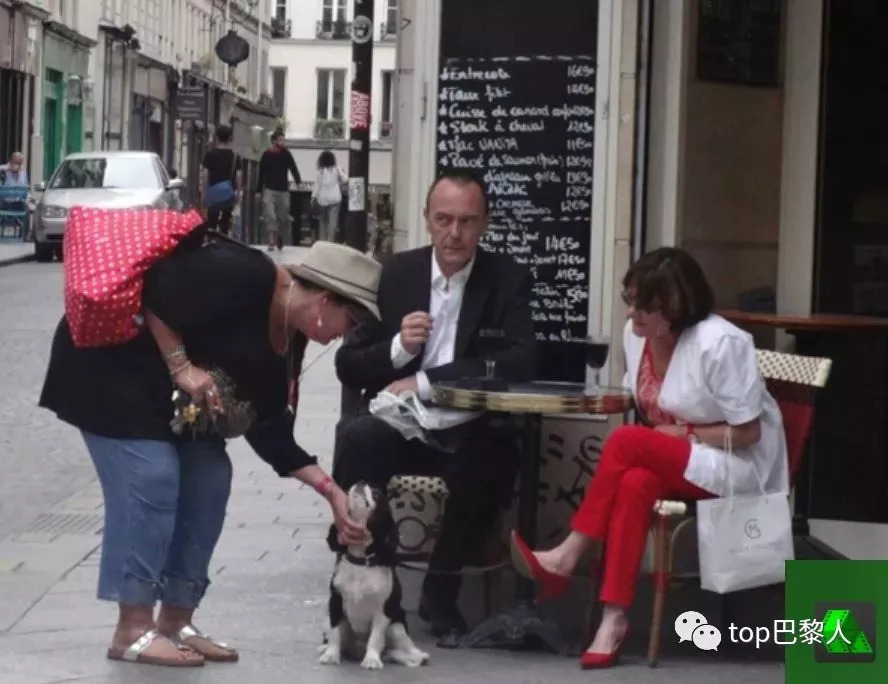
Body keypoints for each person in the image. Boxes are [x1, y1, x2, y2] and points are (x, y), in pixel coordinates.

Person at [39, 239, 382, 669]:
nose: (341, 336)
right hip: (109, 371)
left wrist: (331, 491)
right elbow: (158, 294)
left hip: (168, 404)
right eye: (348, 322)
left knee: (210, 476)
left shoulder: (289, 342)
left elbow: (270, 429)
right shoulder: (248, 274)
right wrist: (182, 366)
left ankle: (176, 621)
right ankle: (132, 627)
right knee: (153, 475)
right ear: (326, 300)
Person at [509, 247, 787, 670]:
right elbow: (642, 399)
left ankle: (568, 554)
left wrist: (688, 432)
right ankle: (614, 618)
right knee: (635, 481)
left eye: (646, 305)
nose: (633, 314)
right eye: (630, 300)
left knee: (626, 442)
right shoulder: (635, 336)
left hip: (733, 463)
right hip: (676, 459)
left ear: (677, 307)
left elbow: (749, 432)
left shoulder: (722, 343)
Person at [333, 169, 537, 640]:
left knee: (493, 461)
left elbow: (522, 358)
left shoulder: (506, 279)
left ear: (484, 224)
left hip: (467, 424)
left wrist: (423, 379)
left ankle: (440, 594)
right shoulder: (395, 273)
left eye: (467, 221)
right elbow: (349, 364)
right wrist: (397, 350)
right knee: (359, 438)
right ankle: (367, 583)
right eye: (444, 219)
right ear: (427, 220)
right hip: (401, 425)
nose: (455, 233)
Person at [255, 130, 301, 251]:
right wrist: (258, 190)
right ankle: (271, 240)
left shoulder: (286, 154)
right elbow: (261, 174)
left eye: (283, 140)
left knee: (283, 216)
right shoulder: (266, 155)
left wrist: (298, 182)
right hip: (269, 190)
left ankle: (279, 236)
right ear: (274, 141)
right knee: (270, 215)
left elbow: (293, 168)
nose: (283, 142)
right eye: (280, 140)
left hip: (283, 190)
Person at [202, 125, 242, 235]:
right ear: (229, 139)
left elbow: (205, 175)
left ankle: (211, 241)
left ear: (217, 138)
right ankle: (223, 241)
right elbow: (239, 176)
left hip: (213, 194)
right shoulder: (235, 157)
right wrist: (238, 194)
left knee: (211, 222)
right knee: (225, 222)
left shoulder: (209, 155)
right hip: (228, 194)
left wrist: (204, 192)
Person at [313, 150, 347, 242]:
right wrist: (339, 180)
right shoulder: (336, 168)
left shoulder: (320, 171)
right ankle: (330, 240)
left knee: (323, 220)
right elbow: (345, 179)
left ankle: (323, 240)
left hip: (323, 199)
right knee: (333, 221)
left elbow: (317, 185)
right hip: (335, 198)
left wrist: (313, 197)